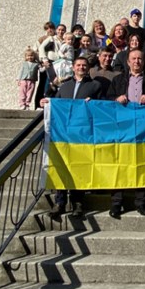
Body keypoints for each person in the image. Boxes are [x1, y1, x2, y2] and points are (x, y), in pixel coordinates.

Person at [107, 48, 145, 218]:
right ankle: (116, 204)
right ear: (128, 62)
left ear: (144, 61)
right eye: (133, 59)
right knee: (120, 165)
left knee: (143, 165)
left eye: (140, 59)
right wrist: (115, 99)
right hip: (122, 130)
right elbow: (107, 99)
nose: (137, 62)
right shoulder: (118, 80)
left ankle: (141, 203)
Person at [46, 56, 103, 218]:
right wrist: (46, 101)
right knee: (62, 166)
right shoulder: (64, 87)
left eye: (84, 65)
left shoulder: (95, 85)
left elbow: (103, 106)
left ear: (88, 68)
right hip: (63, 134)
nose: (81, 68)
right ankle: (60, 202)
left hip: (82, 134)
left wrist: (94, 103)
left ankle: (78, 202)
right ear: (73, 67)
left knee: (80, 167)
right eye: (78, 65)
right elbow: (55, 104)